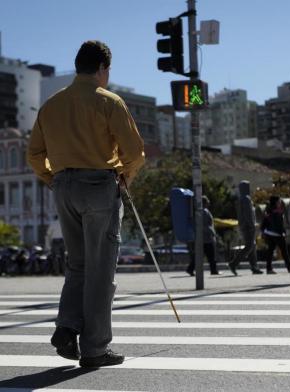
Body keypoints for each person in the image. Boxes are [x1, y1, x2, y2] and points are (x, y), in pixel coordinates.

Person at [27, 41, 145, 368]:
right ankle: (95, 349)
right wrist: (124, 176)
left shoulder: (51, 105)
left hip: (63, 186)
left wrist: (53, 179)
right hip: (99, 186)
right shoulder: (109, 102)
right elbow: (134, 152)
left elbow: (34, 154)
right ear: (102, 69)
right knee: (101, 270)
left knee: (77, 264)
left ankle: (67, 326)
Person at [228, 181, 263, 275]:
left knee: (252, 246)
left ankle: (254, 267)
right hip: (248, 226)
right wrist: (252, 225)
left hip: (243, 225)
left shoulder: (240, 199)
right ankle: (233, 264)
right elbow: (248, 214)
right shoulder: (246, 199)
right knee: (249, 246)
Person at [186, 196, 220, 276]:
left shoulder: (202, 211)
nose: (209, 203)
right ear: (205, 202)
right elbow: (205, 225)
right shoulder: (204, 211)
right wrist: (212, 232)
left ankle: (190, 269)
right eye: (207, 201)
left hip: (203, 237)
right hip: (207, 238)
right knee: (211, 255)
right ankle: (213, 270)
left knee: (199, 255)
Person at [262, 196, 290, 274]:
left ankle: (269, 269)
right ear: (276, 202)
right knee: (284, 252)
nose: (280, 202)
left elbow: (264, 222)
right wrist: (282, 233)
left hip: (269, 233)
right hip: (277, 234)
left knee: (270, 251)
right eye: (279, 201)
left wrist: (264, 231)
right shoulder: (277, 211)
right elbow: (278, 224)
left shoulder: (268, 210)